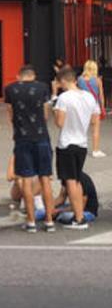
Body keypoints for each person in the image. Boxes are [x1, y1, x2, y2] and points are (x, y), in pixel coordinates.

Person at [5, 65, 56, 233]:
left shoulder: (10, 89)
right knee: (45, 179)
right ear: (33, 75)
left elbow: (10, 115)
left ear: (19, 75)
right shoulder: (42, 88)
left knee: (26, 179)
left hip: (22, 138)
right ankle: (49, 220)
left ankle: (31, 221)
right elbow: (46, 114)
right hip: (41, 137)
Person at [53, 67, 100, 230]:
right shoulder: (88, 97)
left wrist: (54, 98)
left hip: (67, 142)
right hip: (82, 142)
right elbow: (94, 120)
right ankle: (79, 215)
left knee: (70, 181)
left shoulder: (64, 98)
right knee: (77, 179)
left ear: (63, 81)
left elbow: (59, 122)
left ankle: (79, 218)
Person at [77, 60, 105, 158]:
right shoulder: (97, 80)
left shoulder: (79, 79)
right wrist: (102, 107)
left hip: (82, 106)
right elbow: (101, 95)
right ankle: (95, 150)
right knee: (95, 128)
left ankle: (79, 148)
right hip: (94, 106)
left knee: (81, 128)